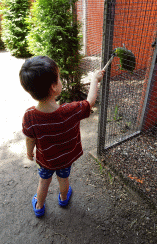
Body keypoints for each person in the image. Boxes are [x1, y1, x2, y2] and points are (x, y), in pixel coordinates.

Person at [19, 56, 105, 217]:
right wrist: (95, 79)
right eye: (58, 78)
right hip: (65, 159)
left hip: (46, 161)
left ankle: (39, 205)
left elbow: (30, 138)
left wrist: (29, 152)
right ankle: (64, 198)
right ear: (53, 87)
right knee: (64, 179)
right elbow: (90, 101)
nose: (60, 81)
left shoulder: (29, 115)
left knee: (44, 182)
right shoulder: (70, 110)